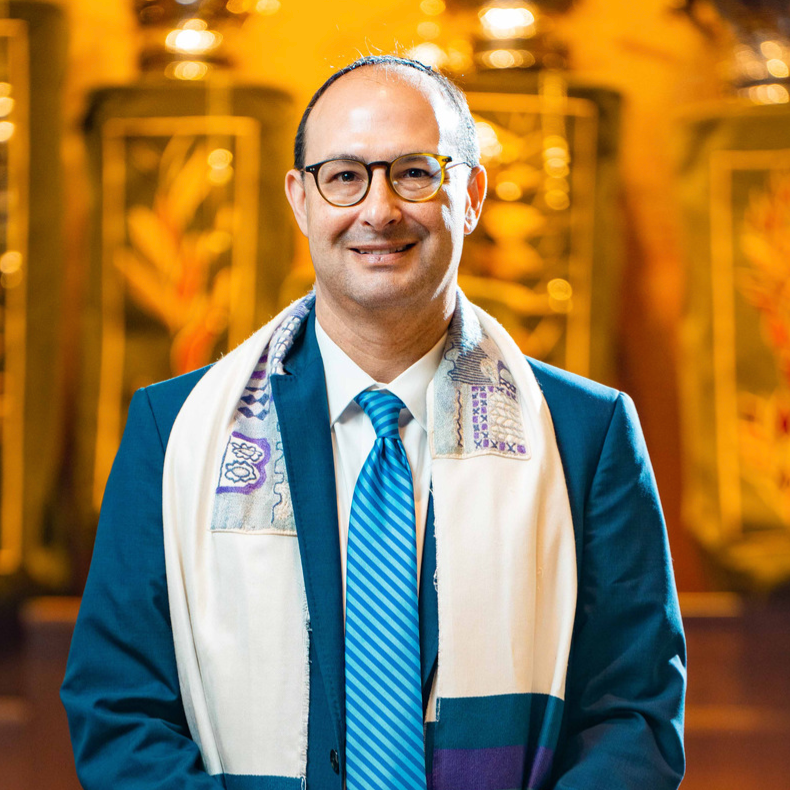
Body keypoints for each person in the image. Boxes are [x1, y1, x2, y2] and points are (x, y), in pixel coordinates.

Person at [61, 55, 686, 790]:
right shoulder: (176, 428)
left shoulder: (586, 434)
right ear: (300, 199)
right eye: (345, 176)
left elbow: (633, 716)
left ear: (472, 193)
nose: (379, 210)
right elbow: (119, 711)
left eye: (415, 173)